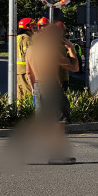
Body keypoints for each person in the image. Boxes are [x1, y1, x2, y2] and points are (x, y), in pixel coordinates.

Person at [25, 21, 79, 164]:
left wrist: (33, 88)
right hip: (51, 86)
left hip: (37, 85)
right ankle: (56, 154)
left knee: (41, 122)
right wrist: (71, 48)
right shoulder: (51, 50)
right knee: (60, 120)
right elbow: (75, 68)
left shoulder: (31, 49)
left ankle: (20, 152)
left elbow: (28, 73)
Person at [16, 18, 36, 98]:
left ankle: (20, 110)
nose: (34, 29)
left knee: (20, 94)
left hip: (18, 70)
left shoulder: (17, 37)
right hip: (26, 70)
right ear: (28, 27)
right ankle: (28, 110)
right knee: (28, 93)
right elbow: (29, 54)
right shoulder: (27, 39)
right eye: (33, 27)